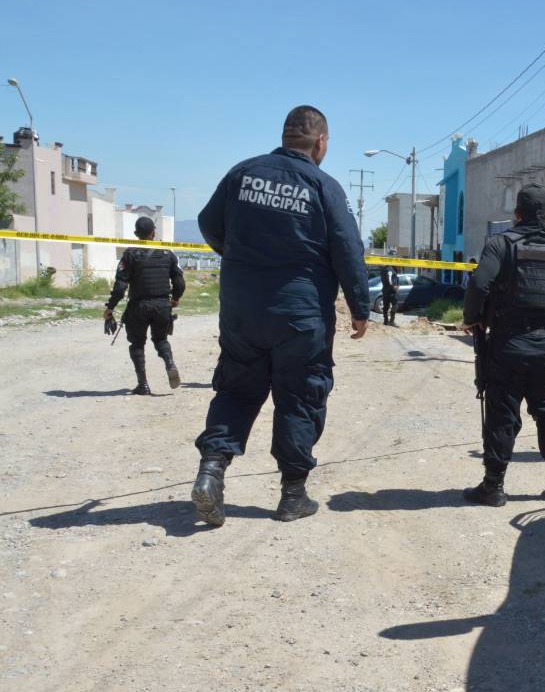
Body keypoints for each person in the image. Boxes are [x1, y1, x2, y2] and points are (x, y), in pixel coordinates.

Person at [191, 105, 370, 526]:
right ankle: (293, 496)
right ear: (321, 142)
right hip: (300, 313)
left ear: (286, 135)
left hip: (242, 310)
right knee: (300, 395)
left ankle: (211, 473)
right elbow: (348, 249)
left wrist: (239, 259)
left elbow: (207, 223)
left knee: (236, 391)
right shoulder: (323, 185)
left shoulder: (242, 173)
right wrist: (360, 307)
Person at [462, 183, 545, 506]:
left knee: (502, 416)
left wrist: (474, 318)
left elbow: (478, 284)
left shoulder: (500, 245)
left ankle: (493, 487)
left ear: (516, 215)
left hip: (508, 345)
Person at [103, 216, 185, 395]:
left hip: (138, 306)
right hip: (162, 304)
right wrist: (175, 299)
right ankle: (170, 363)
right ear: (154, 232)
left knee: (137, 344)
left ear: (135, 234)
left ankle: (143, 384)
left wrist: (110, 308)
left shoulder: (130, 254)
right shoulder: (167, 253)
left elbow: (120, 286)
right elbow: (179, 282)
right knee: (161, 340)